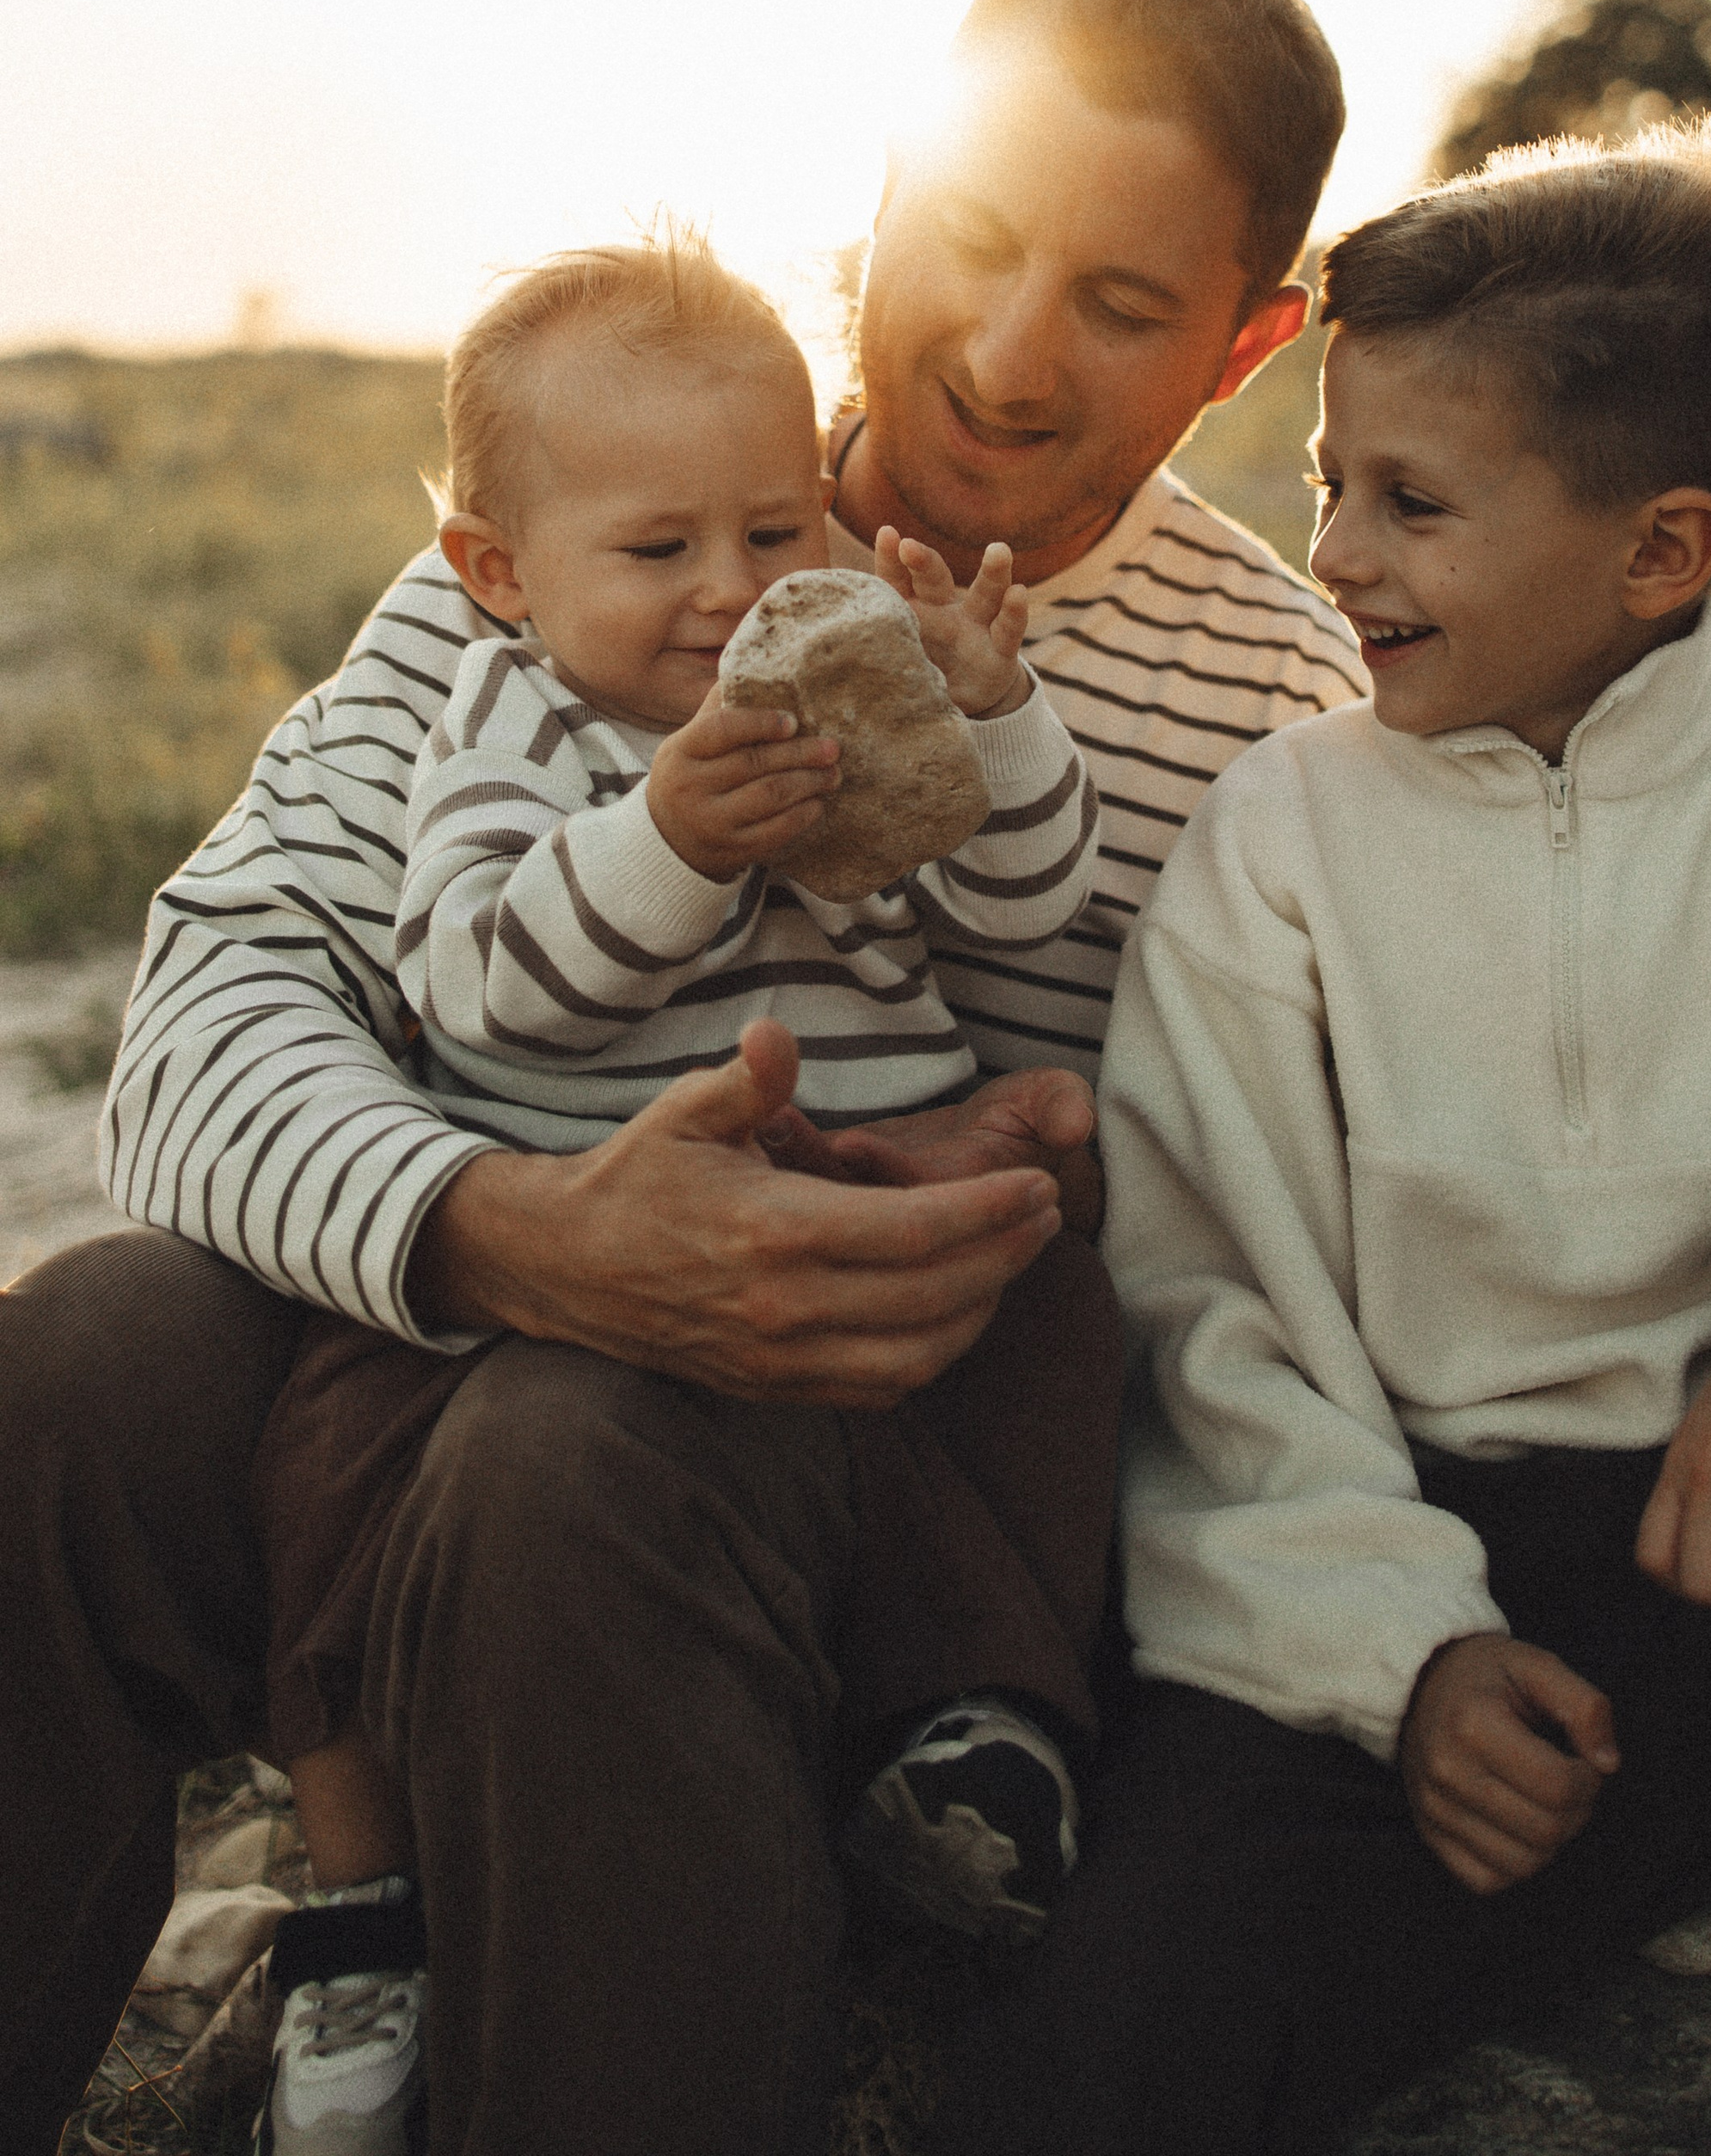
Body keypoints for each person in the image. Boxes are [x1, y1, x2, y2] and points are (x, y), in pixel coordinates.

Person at [0, 0, 1364, 2156]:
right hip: (457, 1316)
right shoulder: (601, 517)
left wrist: (1070, 1154)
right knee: (75, 1371)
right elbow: (214, 1014)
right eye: (973, 241)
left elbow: (1297, 1165)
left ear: (1247, 344)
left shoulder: (1283, 702)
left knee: (575, 1463)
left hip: (897, 1473)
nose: (1008, 358)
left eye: (1122, 308)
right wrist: (493, 1226)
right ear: (880, 204)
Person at [947, 120, 1711, 2156]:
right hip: (1443, 1596)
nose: (1335, 551)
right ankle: (1603, 1851)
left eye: (1412, 502)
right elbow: (1209, 1306)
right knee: (1123, 2028)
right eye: (1327, 481)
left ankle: (1659, 1833)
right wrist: (1401, 1662)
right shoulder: (1282, 845)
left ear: (1660, 551)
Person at [250, 227, 1108, 2149]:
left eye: (774, 528)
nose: (731, 595)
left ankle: (980, 1732)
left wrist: (989, 724)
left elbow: (1017, 897)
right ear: (499, 575)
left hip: (869, 1203)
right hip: (582, 1234)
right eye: (659, 553)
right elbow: (482, 973)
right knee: (334, 1444)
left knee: (1049, 1309)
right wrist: (665, 840)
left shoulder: (833, 692)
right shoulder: (511, 733)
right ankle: (362, 1892)